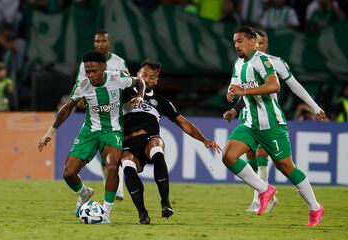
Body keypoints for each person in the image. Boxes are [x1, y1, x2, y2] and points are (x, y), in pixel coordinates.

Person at [222, 26, 324, 227]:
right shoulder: (238, 64)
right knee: (228, 156)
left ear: (253, 41)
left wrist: (314, 107)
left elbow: (275, 86)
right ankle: (264, 190)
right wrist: (232, 95)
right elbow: (235, 86)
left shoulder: (264, 61)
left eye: (240, 41)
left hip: (271, 125)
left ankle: (315, 207)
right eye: (235, 41)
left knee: (286, 167)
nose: (236, 45)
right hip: (250, 123)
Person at [38, 50, 146, 224]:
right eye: (87, 71)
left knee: (112, 166)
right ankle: (84, 193)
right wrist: (50, 132)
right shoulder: (82, 85)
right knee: (68, 173)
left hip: (112, 131)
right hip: (89, 130)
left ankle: (106, 214)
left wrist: (140, 95)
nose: (90, 75)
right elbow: (66, 108)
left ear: (103, 67)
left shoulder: (117, 78)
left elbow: (140, 81)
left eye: (94, 71)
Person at [121, 59, 222, 224]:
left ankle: (165, 202)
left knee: (156, 148)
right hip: (128, 142)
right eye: (144, 75)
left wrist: (204, 140)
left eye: (151, 77)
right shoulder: (124, 93)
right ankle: (142, 214)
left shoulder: (161, 101)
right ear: (137, 74)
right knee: (127, 165)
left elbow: (183, 122)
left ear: (156, 80)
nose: (146, 79)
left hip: (149, 139)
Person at [77, 29, 129, 201]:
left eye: (103, 41)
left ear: (109, 43)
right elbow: (81, 85)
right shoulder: (85, 64)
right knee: (102, 153)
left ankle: (118, 186)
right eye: (97, 41)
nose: (100, 44)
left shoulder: (118, 62)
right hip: (96, 114)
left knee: (114, 152)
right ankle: (109, 181)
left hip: (116, 114)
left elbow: (128, 84)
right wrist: (81, 99)